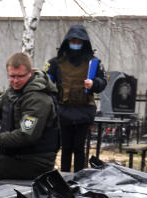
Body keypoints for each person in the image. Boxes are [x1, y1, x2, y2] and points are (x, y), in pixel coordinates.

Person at [0, 52, 60, 191]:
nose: (15, 81)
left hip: (35, 160)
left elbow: (26, 136)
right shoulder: (15, 90)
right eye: (12, 76)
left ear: (30, 73)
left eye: (20, 76)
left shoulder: (38, 98)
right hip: (17, 154)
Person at [44, 25, 107, 173]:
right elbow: (45, 81)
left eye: (79, 41)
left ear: (84, 43)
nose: (76, 44)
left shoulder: (94, 62)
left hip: (84, 110)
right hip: (63, 111)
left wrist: (94, 84)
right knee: (65, 148)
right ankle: (65, 177)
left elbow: (103, 82)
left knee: (79, 148)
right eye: (73, 40)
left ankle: (79, 178)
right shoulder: (55, 62)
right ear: (67, 41)